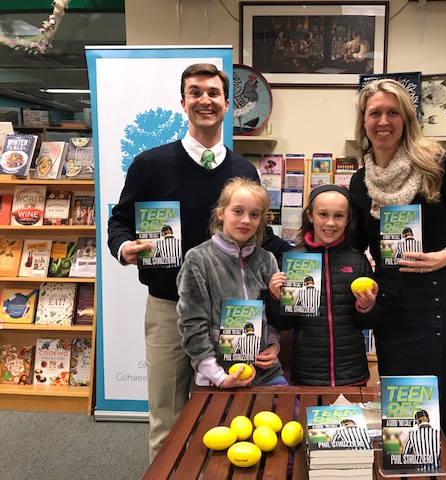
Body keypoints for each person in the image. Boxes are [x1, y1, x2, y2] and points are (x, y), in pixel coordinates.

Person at [106, 63, 291, 462]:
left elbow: (261, 238)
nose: (204, 100)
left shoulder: (243, 170)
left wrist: (309, 256)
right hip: (170, 308)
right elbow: (119, 221)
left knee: (230, 413)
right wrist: (124, 247)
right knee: (169, 417)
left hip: (232, 315)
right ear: (183, 102)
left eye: (213, 93)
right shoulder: (150, 164)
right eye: (195, 92)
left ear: (227, 104)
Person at [349, 79, 446, 441]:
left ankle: (436, 463)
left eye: (393, 112)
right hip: (393, 304)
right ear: (363, 121)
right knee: (402, 400)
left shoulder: (436, 165)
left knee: (438, 402)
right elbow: (357, 243)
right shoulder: (359, 181)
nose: (383, 121)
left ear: (406, 118)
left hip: (440, 296)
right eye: (375, 113)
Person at [177, 177, 287, 389]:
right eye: (238, 211)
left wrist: (273, 346)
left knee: (290, 418)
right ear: (221, 213)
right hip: (219, 374)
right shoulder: (198, 259)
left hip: (265, 371)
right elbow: (191, 323)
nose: (246, 220)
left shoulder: (267, 259)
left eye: (254, 214)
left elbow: (273, 317)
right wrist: (217, 375)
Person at [269, 184, 379, 386]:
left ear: (348, 219)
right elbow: (285, 325)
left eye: (338, 216)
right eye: (323, 214)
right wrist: (276, 298)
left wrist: (367, 307)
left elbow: (369, 323)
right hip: (307, 374)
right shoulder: (293, 260)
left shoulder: (358, 261)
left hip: (352, 374)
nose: (330, 223)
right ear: (310, 216)